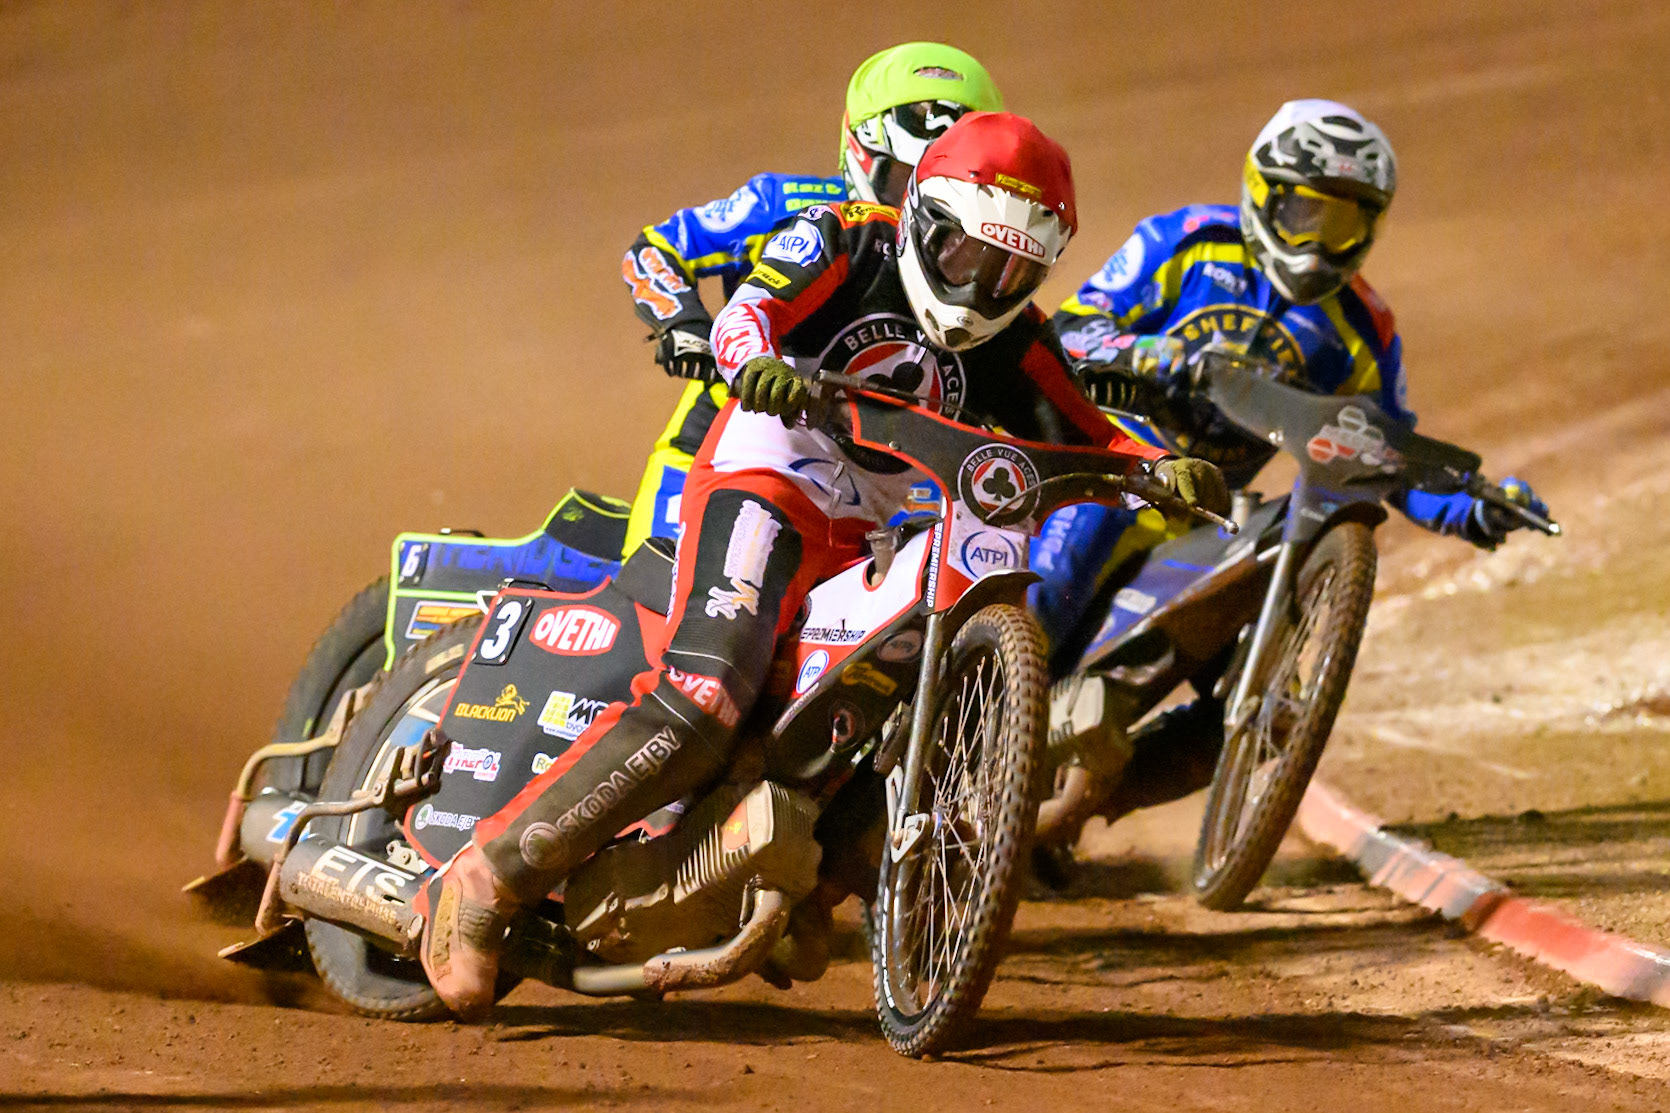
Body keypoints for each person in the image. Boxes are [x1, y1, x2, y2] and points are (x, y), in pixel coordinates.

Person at [418, 111, 1227, 1019]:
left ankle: (799, 881)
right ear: (924, 218)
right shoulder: (843, 237)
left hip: (880, 528)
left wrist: (1157, 471)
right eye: (967, 256)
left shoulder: (1020, 340)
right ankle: (489, 875)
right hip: (767, 475)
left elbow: (1089, 433)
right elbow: (748, 313)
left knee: (882, 704)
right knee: (711, 693)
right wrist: (756, 361)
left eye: (1015, 270)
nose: (985, 286)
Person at [1034, 98, 1549, 829]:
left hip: (1205, 512)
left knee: (1278, 711)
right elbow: (1070, 330)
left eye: (1345, 222)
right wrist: (1148, 353)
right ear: (1263, 194)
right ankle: (965, 734)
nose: (1321, 243)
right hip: (1110, 466)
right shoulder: (1184, 244)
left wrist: (1471, 505)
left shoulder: (1362, 330)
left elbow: (1385, 451)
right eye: (1309, 214)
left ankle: (1068, 820)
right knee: (1051, 582)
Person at [618, 42, 1004, 554]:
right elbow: (656, 248)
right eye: (902, 177)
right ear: (861, 152)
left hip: (894, 460)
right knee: (663, 585)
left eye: (941, 186)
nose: (917, 199)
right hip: (731, 431)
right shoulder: (781, 205)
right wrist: (684, 326)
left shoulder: (981, 255)